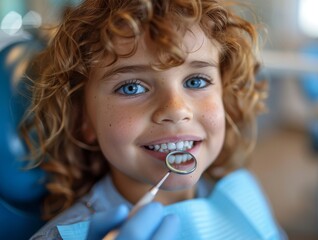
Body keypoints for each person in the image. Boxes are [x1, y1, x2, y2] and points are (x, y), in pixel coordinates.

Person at [21, 0, 282, 239]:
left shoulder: (240, 193)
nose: (176, 109)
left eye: (196, 81)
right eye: (131, 87)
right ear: (83, 119)